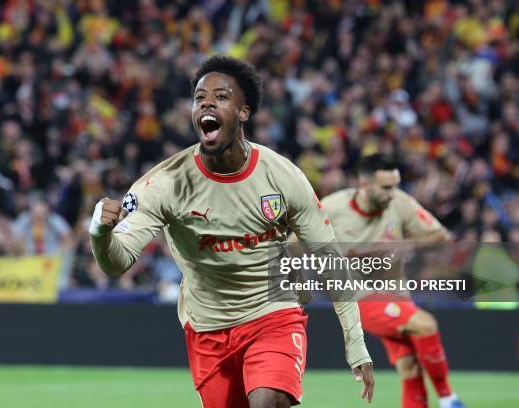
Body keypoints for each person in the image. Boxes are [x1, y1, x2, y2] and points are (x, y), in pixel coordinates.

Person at [89, 56, 374, 408]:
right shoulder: (164, 183)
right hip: (207, 328)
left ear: (244, 112)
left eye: (221, 97)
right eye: (199, 97)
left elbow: (330, 261)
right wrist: (100, 235)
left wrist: (355, 341)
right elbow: (117, 262)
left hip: (274, 315)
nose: (207, 103)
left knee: (268, 402)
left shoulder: (282, 177)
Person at [321, 154, 465, 408]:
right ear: (365, 185)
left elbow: (441, 237)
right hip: (358, 298)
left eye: (395, 185)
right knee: (425, 324)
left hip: (396, 294)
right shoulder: (332, 208)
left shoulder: (400, 203)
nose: (393, 193)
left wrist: (408, 243)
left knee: (410, 368)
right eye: (387, 187)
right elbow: (294, 247)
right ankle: (448, 399)